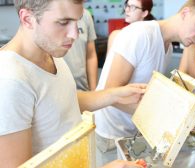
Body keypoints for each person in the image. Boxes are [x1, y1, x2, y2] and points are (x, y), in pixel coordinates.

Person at [0, 0, 145, 167]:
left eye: (78, 21)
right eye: (63, 22)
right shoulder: (10, 81)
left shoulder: (50, 52)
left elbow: (59, 102)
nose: (75, 34)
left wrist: (113, 95)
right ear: (27, 19)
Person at [94, 0, 195, 166]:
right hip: (109, 135)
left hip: (129, 132)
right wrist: (162, 119)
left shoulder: (166, 47)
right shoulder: (141, 34)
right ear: (185, 13)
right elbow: (111, 94)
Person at [64, 8, 98, 91]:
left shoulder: (85, 15)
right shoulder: (48, 14)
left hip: (83, 88)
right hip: (58, 91)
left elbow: (91, 56)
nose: (74, 35)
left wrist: (93, 90)